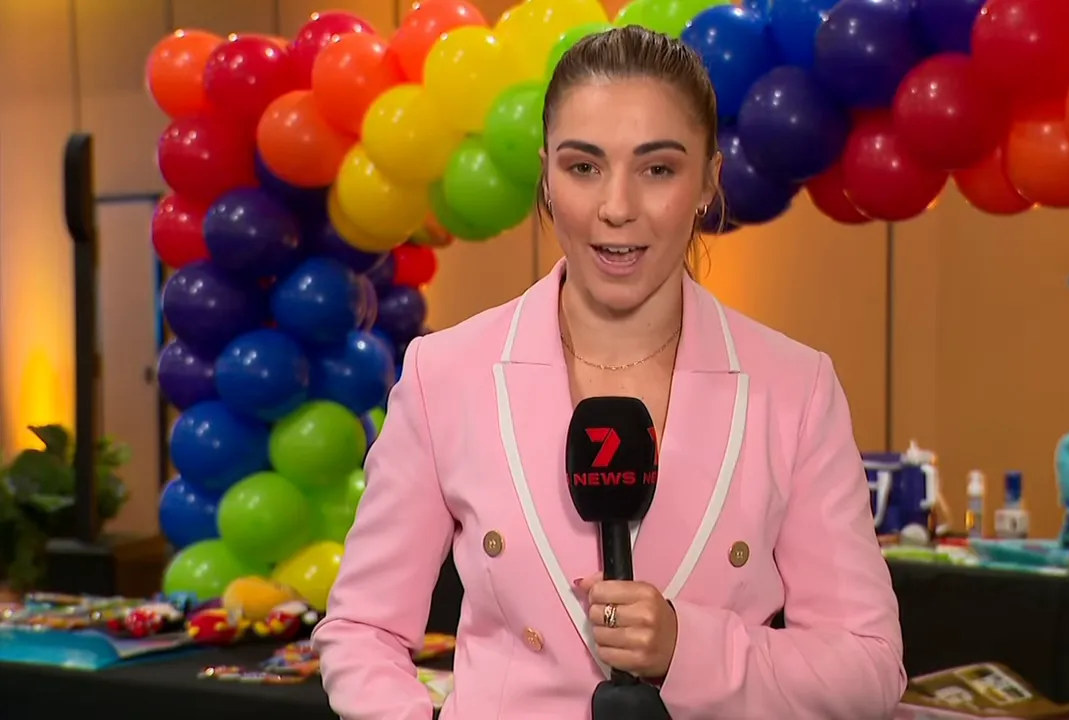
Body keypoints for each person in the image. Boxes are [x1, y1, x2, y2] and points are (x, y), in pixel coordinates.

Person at [313, 25, 905, 720]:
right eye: (584, 167)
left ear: (708, 182)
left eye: (657, 168)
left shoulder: (793, 389)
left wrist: (688, 646)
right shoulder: (446, 374)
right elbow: (362, 631)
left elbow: (867, 668)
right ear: (545, 175)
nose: (616, 207)